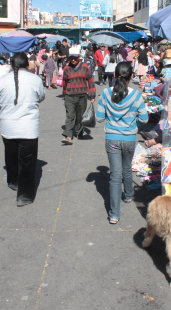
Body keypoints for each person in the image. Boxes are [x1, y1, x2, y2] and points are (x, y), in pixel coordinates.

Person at [0, 52, 45, 207]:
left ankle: (13, 181)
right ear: (27, 64)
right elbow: (41, 96)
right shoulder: (35, 79)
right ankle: (24, 196)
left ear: (11, 64)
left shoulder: (1, 81)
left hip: (8, 127)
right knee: (27, 162)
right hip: (29, 128)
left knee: (11, 155)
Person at [96, 62, 148, 224]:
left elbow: (98, 118)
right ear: (131, 76)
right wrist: (133, 123)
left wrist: (111, 118)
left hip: (112, 139)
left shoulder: (105, 94)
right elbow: (144, 119)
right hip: (130, 139)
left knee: (115, 175)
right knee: (127, 167)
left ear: (115, 75)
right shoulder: (136, 95)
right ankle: (128, 195)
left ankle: (114, 214)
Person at [61, 54, 95, 144]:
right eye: (71, 58)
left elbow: (90, 81)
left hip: (82, 96)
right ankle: (68, 136)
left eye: (74, 58)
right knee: (70, 116)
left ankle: (79, 132)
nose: (73, 60)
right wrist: (64, 94)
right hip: (69, 96)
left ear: (79, 58)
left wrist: (92, 95)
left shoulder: (85, 67)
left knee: (80, 116)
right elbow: (64, 82)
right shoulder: (67, 68)